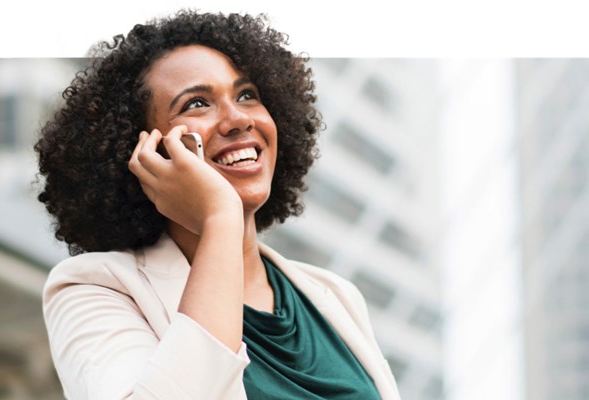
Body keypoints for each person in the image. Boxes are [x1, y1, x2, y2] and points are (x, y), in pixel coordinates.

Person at [35, 10, 401, 400]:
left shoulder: (335, 295)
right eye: (196, 104)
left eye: (247, 95)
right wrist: (219, 218)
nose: (238, 119)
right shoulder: (93, 289)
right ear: (146, 151)